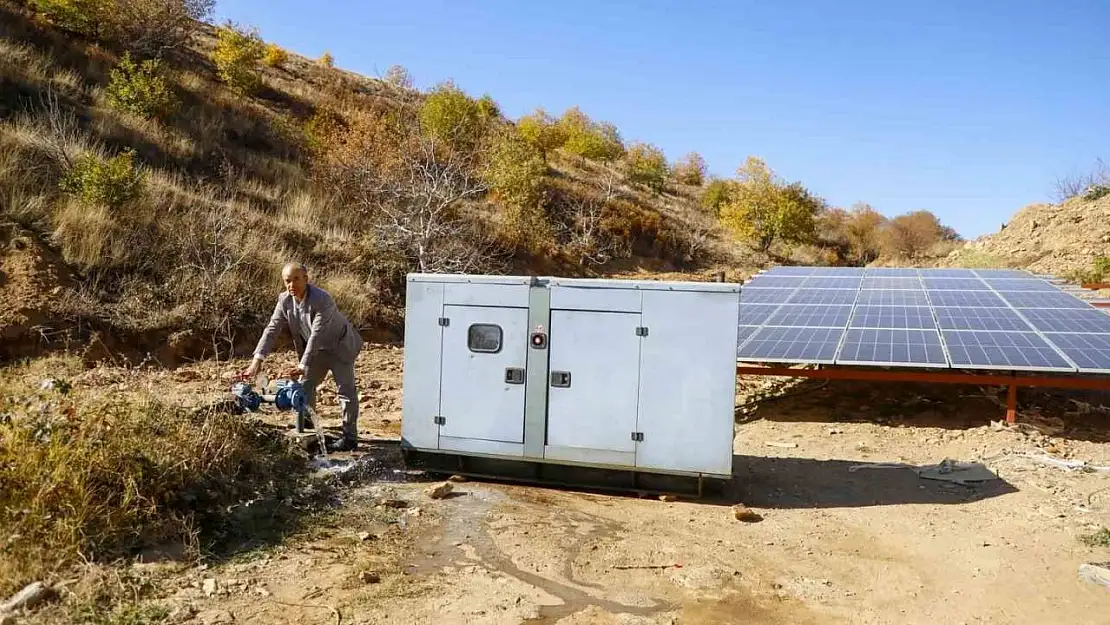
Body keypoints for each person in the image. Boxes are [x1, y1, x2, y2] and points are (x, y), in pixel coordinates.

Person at [243, 262, 364, 451]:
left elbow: (317, 334)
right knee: (305, 386)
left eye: (296, 280)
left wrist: (302, 364)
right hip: (314, 350)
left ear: (306, 279)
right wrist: (257, 361)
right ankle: (308, 424)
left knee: (345, 391)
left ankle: (350, 438)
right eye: (287, 281)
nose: (292, 285)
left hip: (339, 347)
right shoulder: (284, 300)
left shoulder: (322, 299)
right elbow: (271, 330)